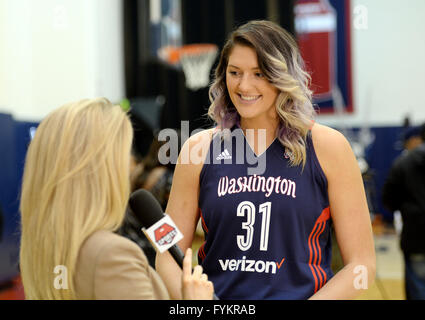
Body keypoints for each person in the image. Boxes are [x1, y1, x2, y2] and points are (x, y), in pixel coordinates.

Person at [156, 20, 376, 300]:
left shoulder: (328, 147)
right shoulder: (198, 149)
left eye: (259, 73)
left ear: (283, 76)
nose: (244, 85)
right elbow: (166, 255)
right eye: (234, 72)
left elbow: (363, 266)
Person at [19, 98, 214, 300]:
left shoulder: (42, 249)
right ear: (100, 168)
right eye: (123, 153)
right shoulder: (112, 256)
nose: (128, 164)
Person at [382, 123, 425, 300]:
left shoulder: (403, 162)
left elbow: (388, 199)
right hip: (415, 236)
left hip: (416, 235)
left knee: (418, 288)